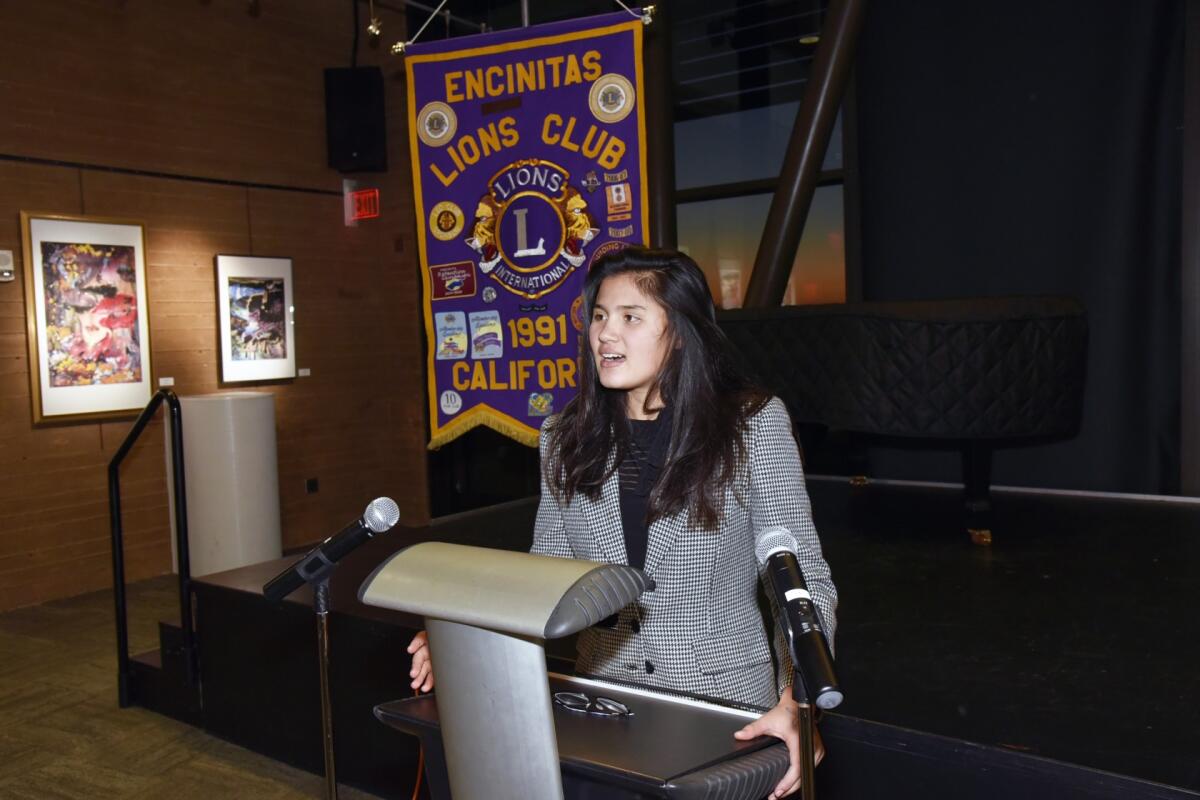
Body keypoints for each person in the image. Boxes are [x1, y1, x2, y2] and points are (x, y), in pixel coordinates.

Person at [409, 247, 837, 799]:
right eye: (600, 316)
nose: (607, 334)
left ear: (680, 332)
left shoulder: (751, 426)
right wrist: (463, 640)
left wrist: (796, 702)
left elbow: (801, 580)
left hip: (723, 710)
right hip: (602, 711)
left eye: (631, 317)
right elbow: (543, 581)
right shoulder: (564, 438)